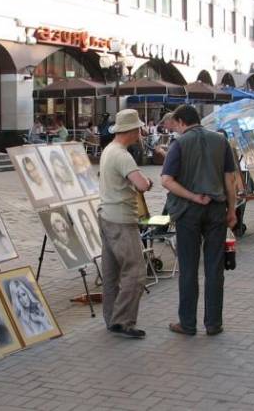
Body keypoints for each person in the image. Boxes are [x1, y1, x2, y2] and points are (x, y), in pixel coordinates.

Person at [161, 104, 237, 337]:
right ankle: (213, 323)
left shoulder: (180, 144)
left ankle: (188, 323)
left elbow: (166, 180)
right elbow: (230, 180)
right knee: (215, 268)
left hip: (188, 211)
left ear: (182, 122)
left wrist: (193, 196)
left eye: (176, 124)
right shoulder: (221, 141)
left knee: (189, 268)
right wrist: (231, 210)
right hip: (216, 209)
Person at [98, 109, 154, 339]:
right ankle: (123, 321)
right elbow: (141, 184)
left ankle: (111, 318)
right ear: (131, 131)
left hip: (106, 215)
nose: (140, 133)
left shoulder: (108, 150)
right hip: (121, 219)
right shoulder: (122, 155)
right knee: (136, 273)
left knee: (111, 274)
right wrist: (149, 181)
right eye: (138, 129)